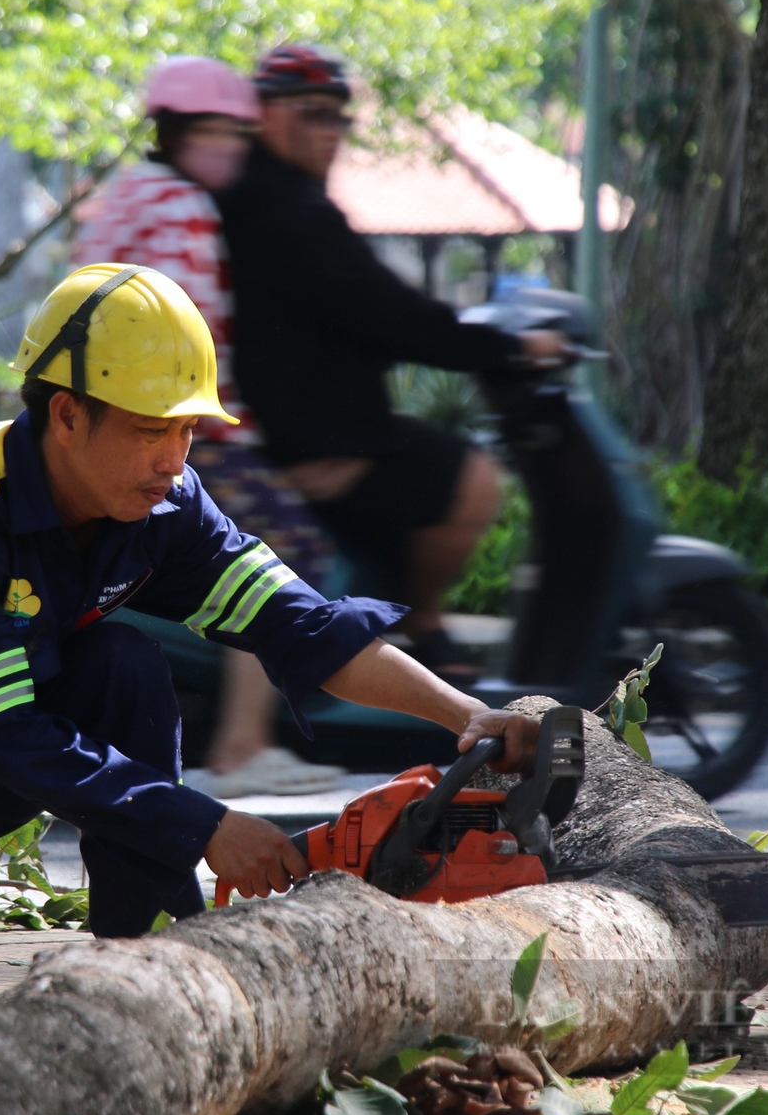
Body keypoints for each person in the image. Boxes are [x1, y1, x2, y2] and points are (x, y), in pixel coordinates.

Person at [0, 262, 541, 1048]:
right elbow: (1, 733)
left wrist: (466, 717)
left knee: (124, 665)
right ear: (66, 414)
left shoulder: (162, 502)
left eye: (186, 430)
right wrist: (207, 824)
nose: (173, 460)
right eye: (151, 430)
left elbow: (301, 626)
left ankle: (144, 953)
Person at [216, 44, 564, 684]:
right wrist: (512, 348)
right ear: (262, 114)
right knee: (476, 480)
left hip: (305, 428)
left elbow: (358, 313)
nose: (327, 131)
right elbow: (388, 313)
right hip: (315, 444)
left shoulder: (269, 199)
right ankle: (423, 625)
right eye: (308, 112)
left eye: (336, 117)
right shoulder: (285, 210)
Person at [72, 57, 343, 799]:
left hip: (99, 412)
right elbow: (191, 326)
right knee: (285, 552)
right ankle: (243, 745)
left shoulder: (125, 194)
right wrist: (230, 419)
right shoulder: (186, 207)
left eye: (237, 136)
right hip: (174, 416)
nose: (229, 151)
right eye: (216, 135)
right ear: (179, 135)